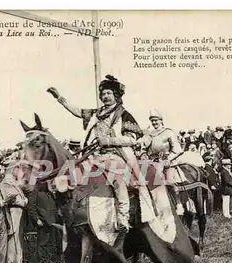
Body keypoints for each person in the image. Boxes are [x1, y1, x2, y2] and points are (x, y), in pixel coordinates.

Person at [48, 74, 157, 232]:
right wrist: (59, 97)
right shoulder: (97, 113)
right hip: (95, 155)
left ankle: (123, 218)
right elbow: (78, 111)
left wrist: (108, 141)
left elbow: (132, 139)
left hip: (117, 155)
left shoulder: (123, 115)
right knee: (73, 172)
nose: (105, 96)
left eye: (109, 93)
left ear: (115, 96)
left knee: (118, 181)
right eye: (103, 94)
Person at [137, 108, 184, 208]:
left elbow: (177, 149)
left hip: (168, 162)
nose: (154, 122)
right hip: (151, 161)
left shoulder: (169, 132)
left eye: (156, 120)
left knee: (170, 181)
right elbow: (143, 148)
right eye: (152, 121)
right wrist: (143, 154)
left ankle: (178, 203)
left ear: (161, 120)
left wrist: (168, 159)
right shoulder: (149, 135)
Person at [1, 161, 29, 263]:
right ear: (14, 170)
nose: (21, 172)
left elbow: (22, 197)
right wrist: (23, 202)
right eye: (19, 170)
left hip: (18, 212)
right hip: (12, 212)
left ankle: (18, 262)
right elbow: (13, 198)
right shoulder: (7, 182)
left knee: (18, 238)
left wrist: (23, 201)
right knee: (12, 238)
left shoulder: (14, 182)